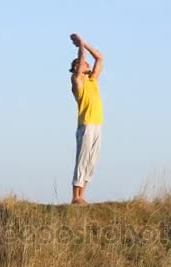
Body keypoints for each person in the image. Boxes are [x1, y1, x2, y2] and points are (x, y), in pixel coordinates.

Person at [69, 33, 104, 205]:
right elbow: (82, 58)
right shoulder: (77, 81)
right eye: (83, 63)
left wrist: (85, 43)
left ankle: (81, 195)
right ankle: (75, 196)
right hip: (86, 125)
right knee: (82, 160)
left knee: (92, 163)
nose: (87, 63)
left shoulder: (92, 80)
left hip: (97, 124)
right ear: (77, 67)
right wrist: (81, 47)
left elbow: (99, 57)